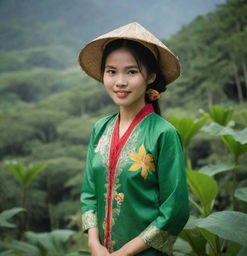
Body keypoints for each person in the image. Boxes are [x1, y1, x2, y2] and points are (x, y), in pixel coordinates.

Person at [78, 22, 189, 256]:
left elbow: (175, 209)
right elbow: (89, 193)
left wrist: (125, 252)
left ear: (150, 76)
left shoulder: (163, 134)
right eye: (111, 71)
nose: (120, 81)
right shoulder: (100, 129)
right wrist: (93, 244)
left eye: (131, 71)